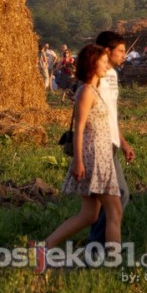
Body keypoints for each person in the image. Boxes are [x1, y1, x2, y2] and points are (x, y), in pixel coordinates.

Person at [45, 43, 122, 251]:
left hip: (99, 154)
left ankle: (44, 247)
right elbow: (79, 128)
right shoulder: (86, 92)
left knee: (90, 215)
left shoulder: (93, 90)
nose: (107, 66)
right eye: (103, 62)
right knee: (114, 210)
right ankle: (113, 261)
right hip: (93, 155)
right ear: (92, 63)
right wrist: (78, 161)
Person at [88, 31, 135, 246]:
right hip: (100, 143)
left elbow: (111, 113)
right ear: (107, 51)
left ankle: (96, 244)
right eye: (121, 51)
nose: (125, 55)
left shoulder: (113, 75)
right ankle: (98, 246)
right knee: (120, 196)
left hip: (111, 142)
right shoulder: (98, 77)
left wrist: (123, 142)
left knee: (94, 208)